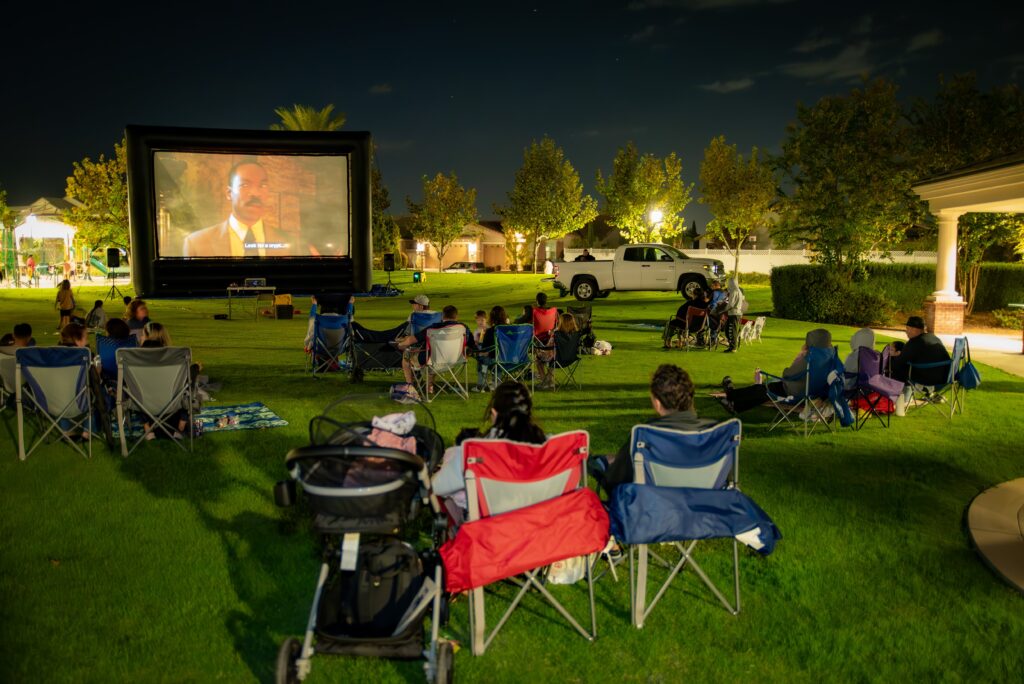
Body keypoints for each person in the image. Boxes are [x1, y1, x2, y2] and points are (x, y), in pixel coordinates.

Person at [593, 364, 717, 496]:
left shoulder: (647, 436)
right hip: (707, 511)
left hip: (656, 512)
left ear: (657, 403)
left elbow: (615, 481)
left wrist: (599, 464)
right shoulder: (716, 433)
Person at [432, 380, 546, 510]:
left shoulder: (475, 453)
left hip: (494, 526)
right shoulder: (550, 448)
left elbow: (437, 487)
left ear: (494, 413)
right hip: (541, 523)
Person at [182, 161, 289, 257]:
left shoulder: (288, 241)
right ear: (229, 193)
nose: (256, 193)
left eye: (263, 185)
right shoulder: (196, 243)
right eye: (245, 185)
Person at [720, 328, 833, 414]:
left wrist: (799, 356)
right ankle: (734, 403)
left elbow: (788, 374)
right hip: (815, 394)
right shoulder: (830, 357)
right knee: (763, 391)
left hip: (797, 394)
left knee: (763, 390)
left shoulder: (810, 359)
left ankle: (732, 398)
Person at [397, 304, 476, 387]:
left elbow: (411, 340)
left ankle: (410, 387)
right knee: (433, 354)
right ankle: (429, 387)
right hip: (456, 360)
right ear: (456, 316)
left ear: (442, 316)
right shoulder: (463, 328)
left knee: (407, 355)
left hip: (434, 361)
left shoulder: (434, 328)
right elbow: (472, 345)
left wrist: (400, 344)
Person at [888, 316, 951, 387]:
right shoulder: (932, 337)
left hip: (930, 379)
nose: (906, 332)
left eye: (907, 329)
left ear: (914, 329)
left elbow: (899, 362)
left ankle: (897, 395)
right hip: (946, 376)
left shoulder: (915, 342)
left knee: (893, 367)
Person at [473, 305, 509, 392]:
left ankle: (481, 385)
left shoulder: (490, 331)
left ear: (491, 317)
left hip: (496, 360)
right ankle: (496, 383)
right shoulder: (510, 329)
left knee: (482, 359)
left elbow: (485, 350)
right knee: (496, 358)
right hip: (512, 360)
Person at [722, 278, 745, 353]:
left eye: (729, 283)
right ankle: (733, 345)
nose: (728, 285)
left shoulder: (734, 292)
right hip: (736, 313)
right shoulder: (739, 291)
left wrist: (724, 309)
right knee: (730, 329)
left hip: (734, 313)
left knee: (732, 330)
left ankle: (733, 348)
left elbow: (731, 304)